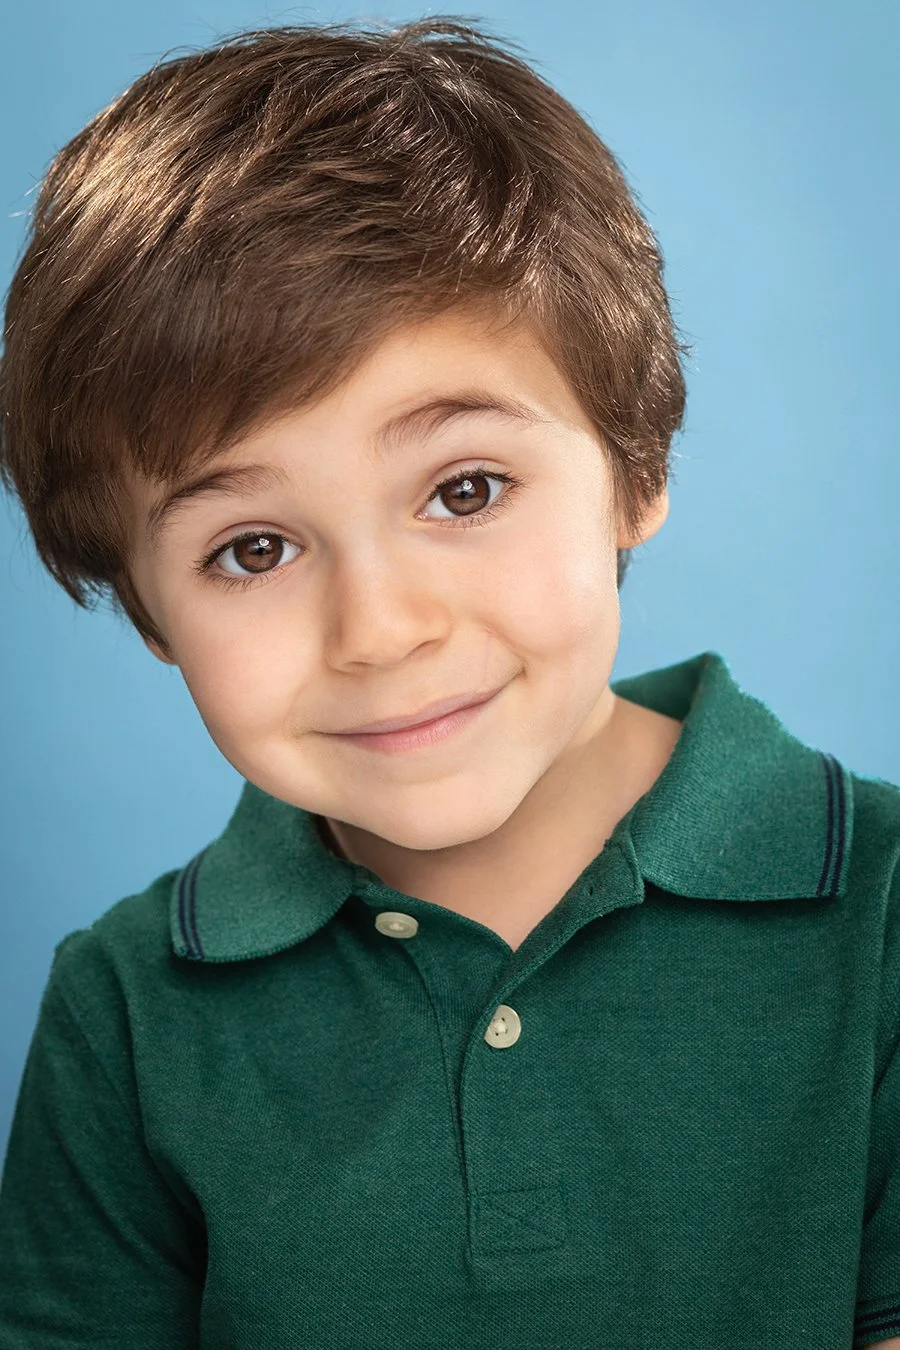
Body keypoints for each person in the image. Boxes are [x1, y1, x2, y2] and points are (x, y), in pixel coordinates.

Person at [0, 16, 897, 1350]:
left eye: (463, 488)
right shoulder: (128, 1011)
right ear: (147, 611)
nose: (381, 628)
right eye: (253, 547)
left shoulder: (876, 912)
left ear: (635, 469)